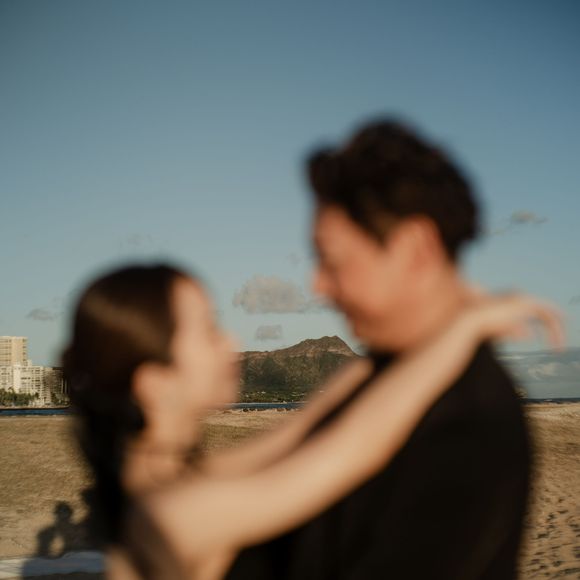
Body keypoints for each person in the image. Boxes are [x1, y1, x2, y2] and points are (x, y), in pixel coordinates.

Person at [63, 263, 562, 579]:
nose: (232, 342)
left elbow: (300, 430)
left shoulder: (163, 484)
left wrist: (398, 342)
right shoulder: (171, 515)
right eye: (210, 330)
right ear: (155, 382)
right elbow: (354, 447)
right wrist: (460, 329)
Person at [226, 119, 545, 580]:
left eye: (330, 260)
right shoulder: (384, 380)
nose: (317, 285)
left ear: (415, 249)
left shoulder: (468, 422)